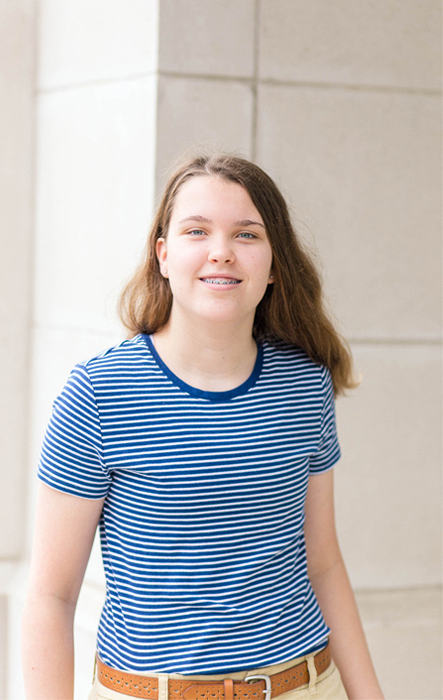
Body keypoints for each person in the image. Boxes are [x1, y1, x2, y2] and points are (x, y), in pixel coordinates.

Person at [21, 155, 384, 700]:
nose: (222, 250)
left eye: (247, 233)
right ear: (163, 255)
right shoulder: (100, 394)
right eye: (197, 231)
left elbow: (325, 562)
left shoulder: (306, 387)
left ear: (275, 263)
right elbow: (52, 595)